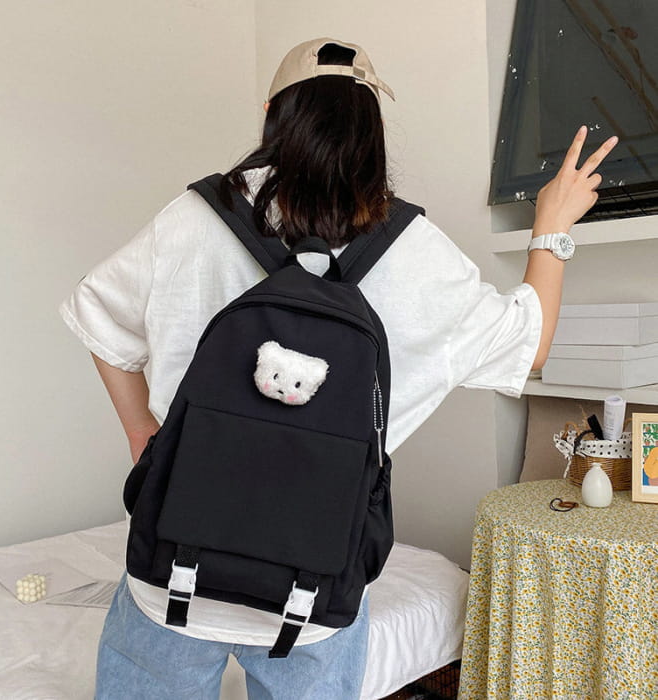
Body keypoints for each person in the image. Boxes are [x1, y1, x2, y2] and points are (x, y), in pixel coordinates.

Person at [59, 37, 618, 700]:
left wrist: (142, 433)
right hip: (315, 586)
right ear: (370, 129)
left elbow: (96, 313)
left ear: (271, 115)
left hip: (172, 565)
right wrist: (551, 225)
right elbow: (530, 344)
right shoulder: (414, 251)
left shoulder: (195, 217)